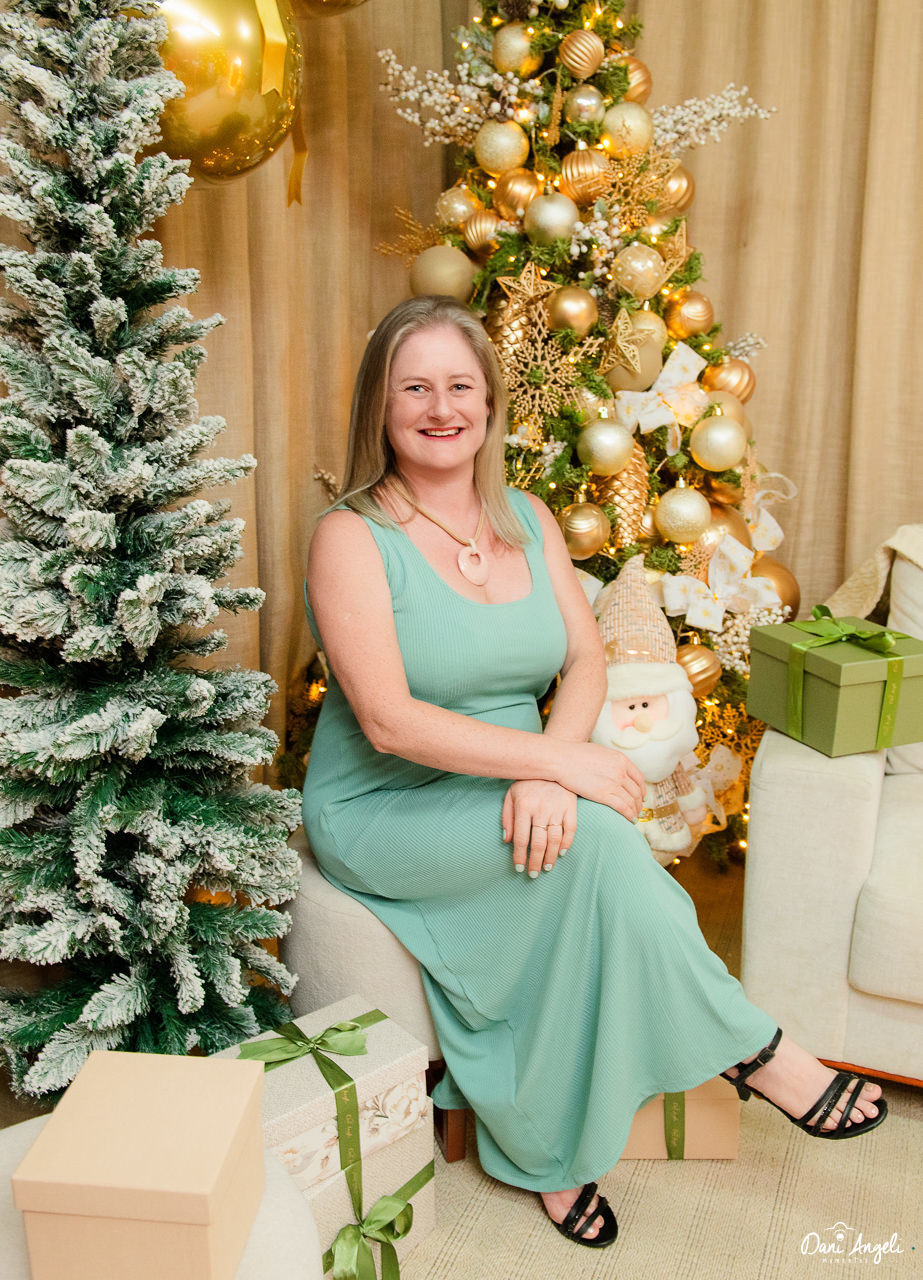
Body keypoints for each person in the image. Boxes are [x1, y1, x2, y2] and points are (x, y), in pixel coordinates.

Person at [302, 295, 886, 1249]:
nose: (441, 408)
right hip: (385, 802)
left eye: (460, 386)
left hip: (509, 772)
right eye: (415, 388)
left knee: (593, 844)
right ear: (380, 404)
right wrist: (555, 760)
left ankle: (550, 1143)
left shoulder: (527, 518)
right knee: (601, 849)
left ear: (490, 404)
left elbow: (584, 662)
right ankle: (758, 1052)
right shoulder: (351, 534)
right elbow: (388, 721)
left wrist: (548, 777)